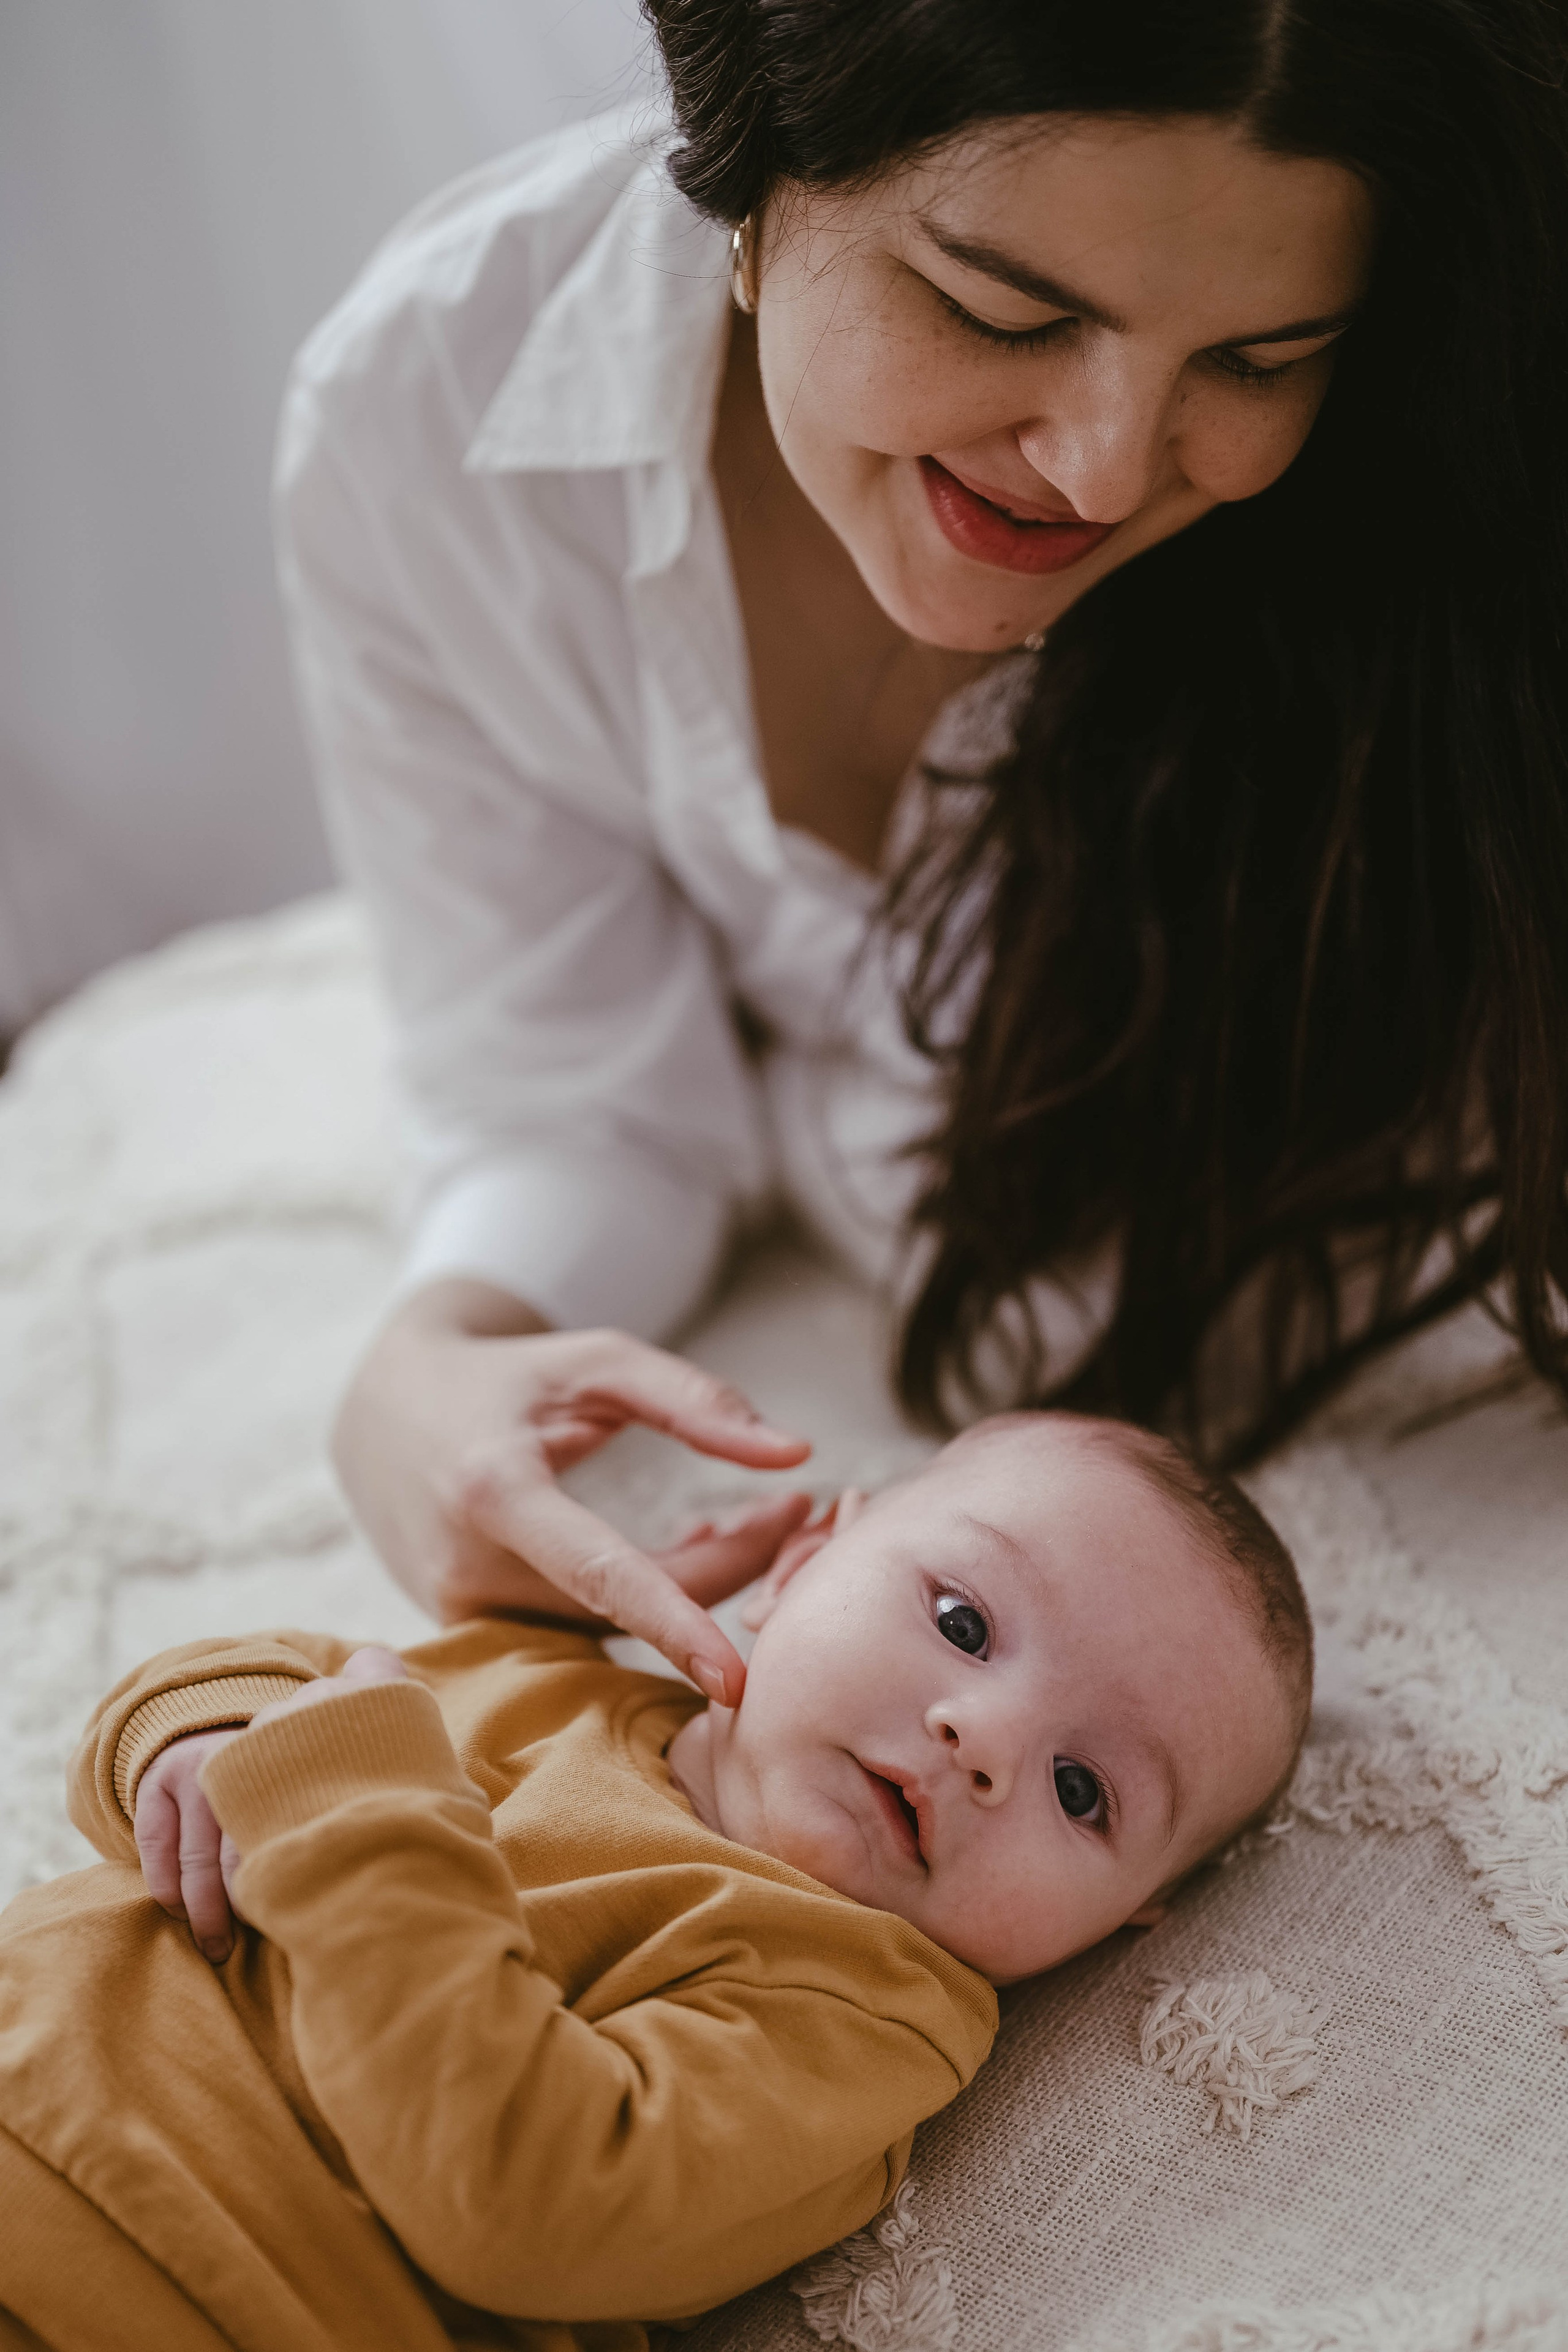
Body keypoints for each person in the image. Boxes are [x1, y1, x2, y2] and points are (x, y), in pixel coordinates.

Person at [274, 0, 1568, 1709]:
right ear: (752, 166)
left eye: (1259, 360)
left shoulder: (1456, 506)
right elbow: (571, 1082)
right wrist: (439, 1347)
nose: (1104, 465)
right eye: (999, 311)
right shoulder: (435, 415)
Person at [0, 1412, 1308, 2350]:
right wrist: (193, 1735)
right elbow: (254, 1695)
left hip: (165, 2291)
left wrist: (355, 1815)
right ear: (803, 1562)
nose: (986, 1741)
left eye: (1083, 1793)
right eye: (960, 1623)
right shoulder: (544, 1667)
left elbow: (528, 2208)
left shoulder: (859, 2016)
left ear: (1123, 1920)